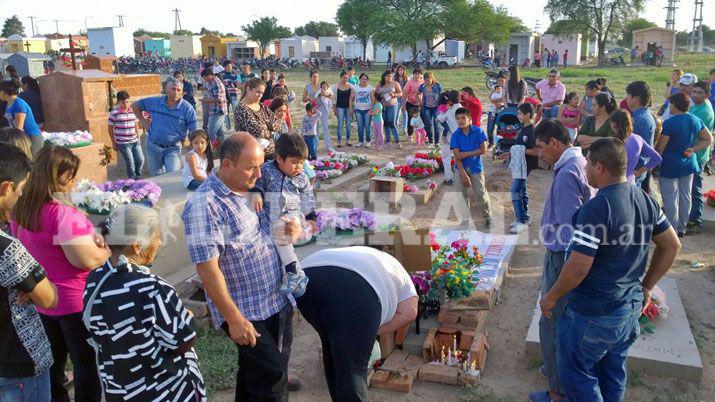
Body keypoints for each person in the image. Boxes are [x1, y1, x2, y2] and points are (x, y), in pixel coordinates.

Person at [539, 137, 681, 402]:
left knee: (577, 374)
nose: (586, 170)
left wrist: (551, 296)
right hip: (627, 309)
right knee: (613, 372)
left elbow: (580, 266)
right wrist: (647, 286)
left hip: (594, 312)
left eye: (589, 165)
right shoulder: (645, 198)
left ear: (600, 166)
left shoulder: (596, 208)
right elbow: (671, 245)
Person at [182, 133, 302, 401]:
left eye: (260, 165)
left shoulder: (247, 188)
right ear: (226, 165)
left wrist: (289, 229)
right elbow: (208, 269)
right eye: (251, 167)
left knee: (256, 373)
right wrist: (233, 319)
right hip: (246, 309)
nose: (258, 174)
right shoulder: (205, 205)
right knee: (272, 376)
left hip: (274, 299)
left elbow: (265, 231)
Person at [12, 145, 110, 402]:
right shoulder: (62, 215)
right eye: (71, 177)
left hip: (43, 300)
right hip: (74, 302)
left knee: (54, 364)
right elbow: (85, 260)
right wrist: (107, 252)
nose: (73, 182)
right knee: (86, 365)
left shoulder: (20, 210)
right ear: (61, 178)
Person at [83, 205, 207, 401]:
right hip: (164, 390)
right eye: (156, 237)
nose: (158, 242)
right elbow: (182, 341)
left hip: (120, 390)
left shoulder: (94, 280)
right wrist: (187, 317)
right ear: (136, 246)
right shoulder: (151, 287)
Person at [298, 246, 418, 401]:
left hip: (307, 275)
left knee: (333, 348)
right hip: (355, 285)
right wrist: (368, 331)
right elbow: (410, 312)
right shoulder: (404, 280)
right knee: (352, 368)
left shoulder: (372, 256)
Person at [530, 119, 594, 402]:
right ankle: (557, 370)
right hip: (562, 256)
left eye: (542, 147)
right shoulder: (579, 161)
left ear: (555, 143)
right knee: (560, 319)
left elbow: (571, 228)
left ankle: (557, 390)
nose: (540, 154)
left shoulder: (568, 173)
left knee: (551, 319)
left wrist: (566, 273)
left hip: (561, 258)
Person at [0, 143, 57, 402]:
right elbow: (48, 297)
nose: (21, 196)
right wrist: (33, 284)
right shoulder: (6, 247)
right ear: (6, 188)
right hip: (17, 362)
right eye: (20, 189)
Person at [252, 133, 315, 297]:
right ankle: (296, 276)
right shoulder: (267, 170)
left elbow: (308, 196)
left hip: (292, 214)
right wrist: (256, 193)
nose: (298, 167)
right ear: (279, 158)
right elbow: (258, 182)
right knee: (279, 242)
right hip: (270, 214)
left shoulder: (301, 177)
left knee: (282, 231)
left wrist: (310, 217)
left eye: (301, 163)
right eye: (294, 162)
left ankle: (293, 271)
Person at [656, 92, 713, 237]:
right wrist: (693, 149)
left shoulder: (670, 123)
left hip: (670, 164)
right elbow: (708, 139)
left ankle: (672, 230)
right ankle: (682, 227)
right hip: (688, 162)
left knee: (670, 198)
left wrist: (654, 164)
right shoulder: (695, 119)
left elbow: (661, 148)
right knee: (686, 196)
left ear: (674, 105)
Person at [132, 77, 197, 176]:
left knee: (173, 175)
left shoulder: (187, 109)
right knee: (156, 177)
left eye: (178, 90)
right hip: (153, 146)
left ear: (182, 92)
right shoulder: (154, 102)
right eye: (173, 89)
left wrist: (189, 140)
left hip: (173, 148)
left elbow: (194, 130)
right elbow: (135, 106)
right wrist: (143, 121)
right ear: (166, 89)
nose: (175, 92)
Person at [451, 107, 492, 228]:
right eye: (458, 118)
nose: (461, 120)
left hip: (476, 167)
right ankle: (465, 220)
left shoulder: (478, 132)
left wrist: (465, 154)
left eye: (463, 118)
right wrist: (463, 174)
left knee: (480, 193)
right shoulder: (455, 135)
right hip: (460, 168)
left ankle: (488, 217)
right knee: (461, 194)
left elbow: (483, 150)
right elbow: (457, 157)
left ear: (470, 119)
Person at [687, 81, 715, 234]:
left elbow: (690, 127)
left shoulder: (704, 110)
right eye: (694, 92)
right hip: (697, 152)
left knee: (695, 189)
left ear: (707, 95)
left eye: (700, 93)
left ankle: (696, 221)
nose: (696, 95)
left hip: (697, 154)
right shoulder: (700, 105)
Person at [234, 77, 281, 160]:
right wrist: (271, 130)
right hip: (253, 154)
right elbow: (257, 131)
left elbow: (277, 123)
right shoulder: (242, 109)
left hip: (270, 152)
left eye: (262, 93)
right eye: (257, 92)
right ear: (248, 89)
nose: (260, 95)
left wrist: (266, 126)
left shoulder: (262, 106)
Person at [610, 110, 662, 184]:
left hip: (614, 183)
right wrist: (639, 172)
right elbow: (657, 158)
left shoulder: (612, 143)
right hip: (631, 182)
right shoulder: (638, 139)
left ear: (614, 124)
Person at [625, 81, 657, 191]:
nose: (626, 98)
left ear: (636, 99)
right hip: (638, 168)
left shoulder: (639, 120)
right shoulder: (644, 114)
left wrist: (639, 171)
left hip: (635, 169)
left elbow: (636, 147)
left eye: (628, 95)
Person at [0, 80, 42, 156]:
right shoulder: (8, 104)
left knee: (32, 164)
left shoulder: (19, 104)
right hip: (21, 137)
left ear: (3, 92)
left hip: (31, 138)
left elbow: (19, 128)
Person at [109, 91, 144, 180]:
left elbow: (136, 124)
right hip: (123, 143)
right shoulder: (114, 113)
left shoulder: (133, 111)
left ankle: (137, 177)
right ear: (118, 102)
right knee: (130, 162)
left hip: (135, 141)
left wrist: (138, 138)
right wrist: (113, 142)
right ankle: (133, 180)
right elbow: (110, 129)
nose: (126, 104)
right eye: (123, 102)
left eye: (127, 102)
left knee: (140, 160)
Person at [437, 91, 461, 186]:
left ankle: (449, 178)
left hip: (452, 138)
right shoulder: (463, 109)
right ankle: (462, 175)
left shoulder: (449, 112)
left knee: (446, 157)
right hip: (464, 138)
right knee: (461, 157)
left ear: (449, 101)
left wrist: (442, 112)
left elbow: (440, 118)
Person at [201, 68, 228, 148]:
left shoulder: (215, 83)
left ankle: (216, 148)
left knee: (211, 132)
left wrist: (206, 100)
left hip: (218, 110)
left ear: (209, 76)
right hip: (217, 110)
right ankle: (223, 148)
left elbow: (218, 99)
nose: (205, 80)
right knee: (220, 132)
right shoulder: (213, 82)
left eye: (205, 78)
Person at [376, 69, 402, 148]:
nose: (390, 78)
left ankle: (397, 141)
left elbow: (400, 93)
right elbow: (375, 94)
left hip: (392, 105)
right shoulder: (380, 84)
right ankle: (388, 140)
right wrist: (381, 96)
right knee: (386, 123)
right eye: (388, 76)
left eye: (391, 76)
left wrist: (394, 94)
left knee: (392, 122)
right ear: (384, 77)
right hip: (383, 105)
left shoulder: (395, 83)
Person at [419, 72, 443, 146]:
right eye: (426, 80)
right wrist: (420, 102)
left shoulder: (437, 85)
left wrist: (442, 106)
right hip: (426, 107)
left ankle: (437, 142)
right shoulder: (422, 87)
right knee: (428, 124)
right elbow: (418, 93)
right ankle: (430, 140)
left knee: (436, 124)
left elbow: (442, 95)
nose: (428, 81)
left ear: (432, 79)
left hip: (436, 107)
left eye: (429, 79)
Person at [352, 73, 374, 148]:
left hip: (367, 109)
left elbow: (372, 98)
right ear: (359, 79)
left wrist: (372, 108)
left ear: (367, 80)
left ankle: (368, 141)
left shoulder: (369, 88)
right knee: (360, 126)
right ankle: (360, 141)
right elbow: (351, 98)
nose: (364, 80)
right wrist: (351, 108)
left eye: (365, 79)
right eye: (362, 79)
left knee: (367, 126)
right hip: (358, 109)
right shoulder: (355, 87)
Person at [334, 71, 355, 148]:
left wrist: (351, 108)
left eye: (346, 78)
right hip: (340, 108)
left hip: (348, 107)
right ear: (340, 78)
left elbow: (352, 98)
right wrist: (334, 109)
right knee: (340, 124)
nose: (345, 79)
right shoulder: (336, 86)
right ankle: (339, 141)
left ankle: (348, 140)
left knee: (348, 124)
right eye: (343, 77)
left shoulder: (351, 86)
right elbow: (334, 99)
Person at [402, 68, 424, 138]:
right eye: (415, 74)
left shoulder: (423, 82)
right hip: (411, 104)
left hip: (420, 104)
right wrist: (403, 105)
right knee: (411, 118)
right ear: (413, 75)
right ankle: (410, 134)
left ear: (421, 75)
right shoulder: (410, 82)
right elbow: (405, 93)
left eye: (418, 74)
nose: (417, 76)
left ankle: (422, 134)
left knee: (422, 119)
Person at [220, 61, 240, 128]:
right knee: (226, 112)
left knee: (236, 111)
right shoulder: (221, 74)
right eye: (228, 66)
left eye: (231, 66)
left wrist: (231, 83)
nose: (230, 67)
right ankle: (228, 127)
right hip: (224, 95)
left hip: (234, 95)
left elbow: (237, 84)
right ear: (224, 67)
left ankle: (237, 126)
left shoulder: (235, 74)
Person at [394, 65, 409, 137]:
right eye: (399, 70)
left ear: (403, 71)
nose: (400, 71)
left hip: (404, 97)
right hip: (397, 97)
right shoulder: (394, 78)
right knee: (397, 113)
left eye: (401, 70)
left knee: (405, 113)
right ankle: (396, 127)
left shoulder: (406, 78)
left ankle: (404, 129)